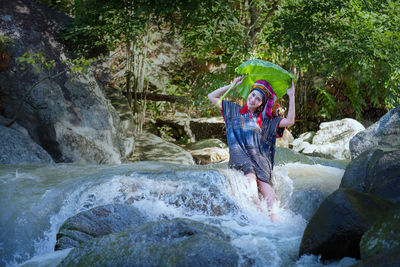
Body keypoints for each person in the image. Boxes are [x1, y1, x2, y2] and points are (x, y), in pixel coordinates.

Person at [208, 76, 295, 221]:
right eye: (253, 94)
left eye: (258, 99)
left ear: (261, 104)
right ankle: (257, 206)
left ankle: (273, 215)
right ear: (249, 93)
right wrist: (232, 86)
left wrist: (291, 96)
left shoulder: (266, 120)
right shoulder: (233, 110)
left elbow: (290, 121)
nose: (253, 99)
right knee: (249, 171)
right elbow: (211, 96)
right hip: (239, 154)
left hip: (260, 157)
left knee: (263, 182)